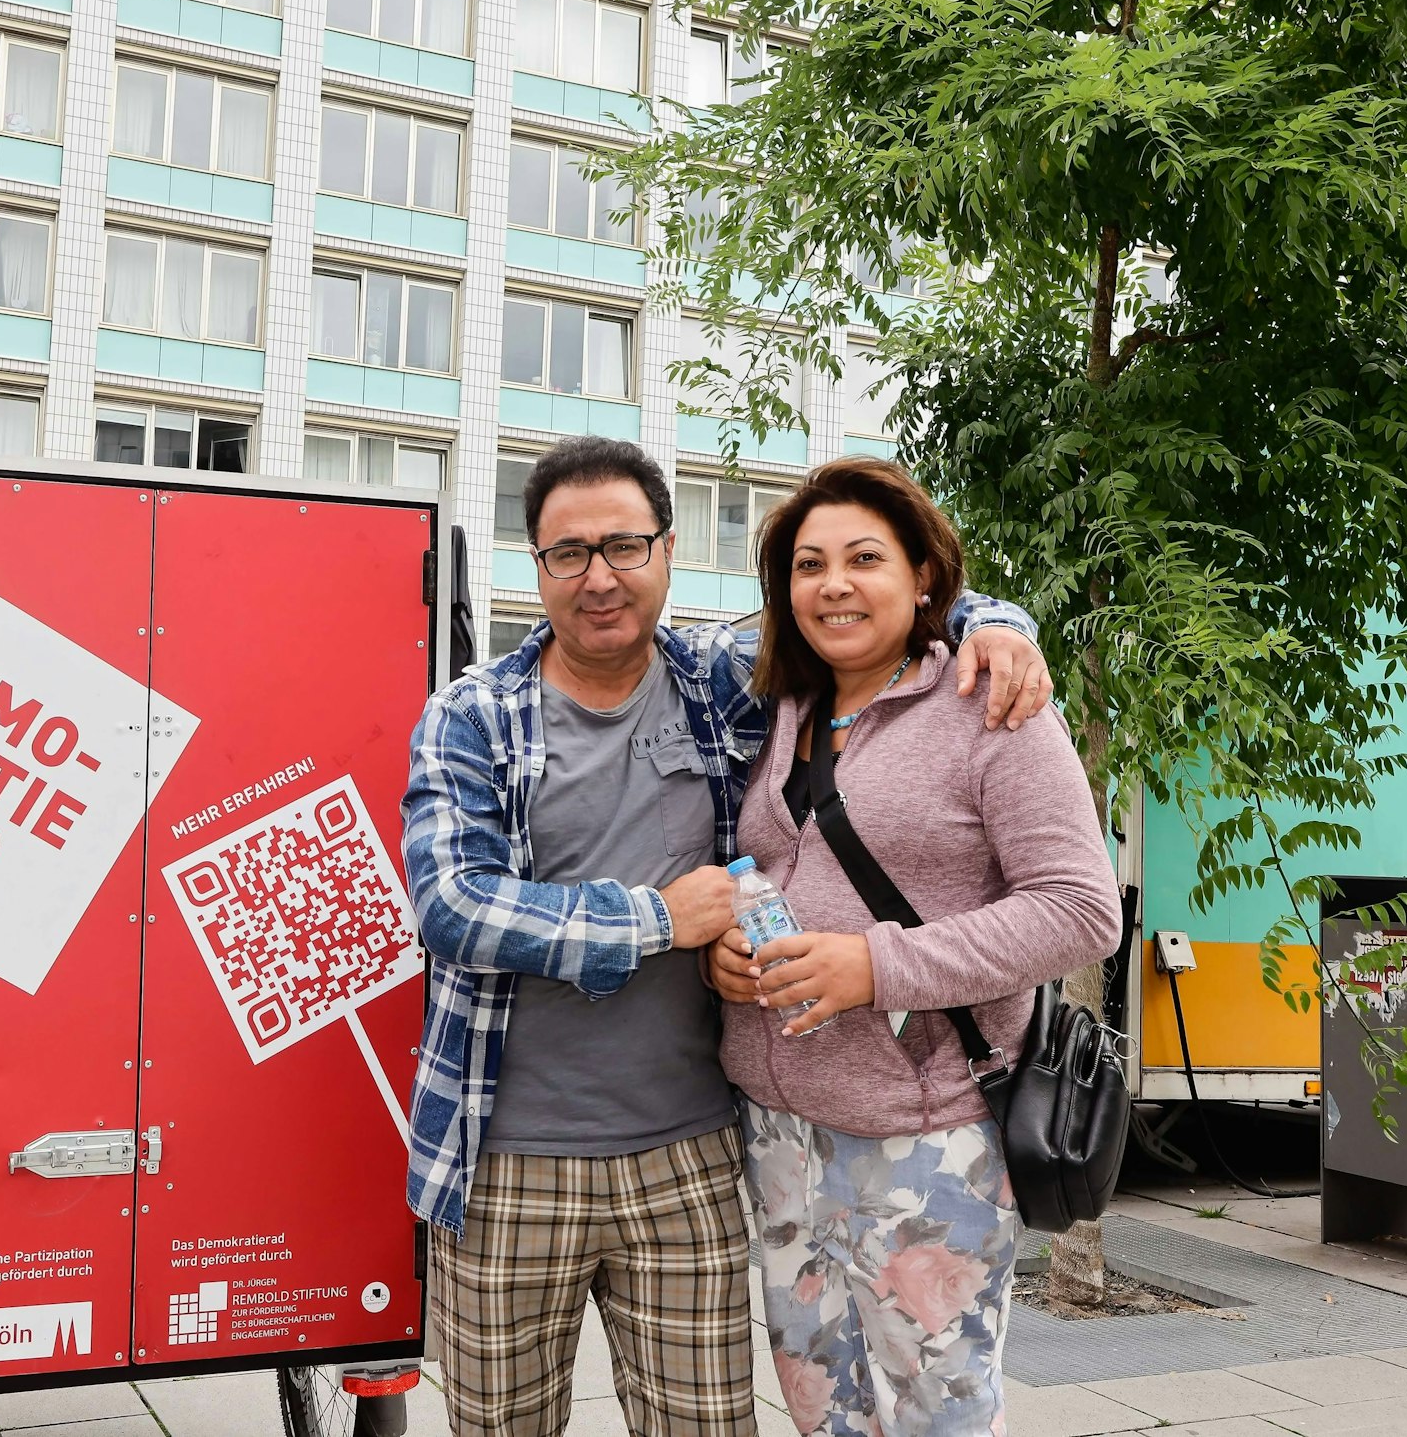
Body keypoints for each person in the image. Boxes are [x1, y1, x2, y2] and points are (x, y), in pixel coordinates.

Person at [401, 438, 1054, 1436]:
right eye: (568, 553)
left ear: (668, 549)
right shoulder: (474, 714)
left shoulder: (721, 678)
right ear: (534, 565)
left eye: (625, 545)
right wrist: (660, 920)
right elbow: (451, 904)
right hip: (505, 1161)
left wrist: (998, 625)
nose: (599, 576)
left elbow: (868, 603)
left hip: (693, 1154)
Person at [707, 457, 1122, 1436]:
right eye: (808, 565)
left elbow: (1078, 909)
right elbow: (774, 870)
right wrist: (720, 955)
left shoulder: (992, 706)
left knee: (937, 1414)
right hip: (777, 1134)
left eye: (864, 559)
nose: (833, 585)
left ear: (924, 576)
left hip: (923, 1134)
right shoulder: (779, 710)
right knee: (820, 1408)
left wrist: (876, 967)